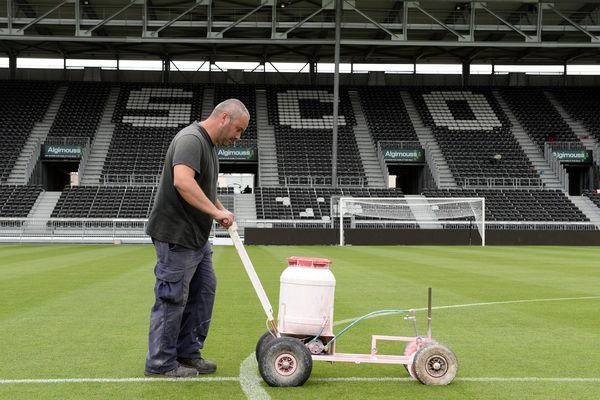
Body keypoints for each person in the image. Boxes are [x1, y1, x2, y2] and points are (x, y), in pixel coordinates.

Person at [144, 99, 249, 378]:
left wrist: (220, 207)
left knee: (204, 291)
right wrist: (216, 213)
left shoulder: (210, 147)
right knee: (172, 297)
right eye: (238, 130)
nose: (238, 138)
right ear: (224, 118)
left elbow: (201, 187)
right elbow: (183, 181)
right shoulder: (191, 139)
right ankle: (161, 363)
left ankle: (188, 353)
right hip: (176, 235)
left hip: (196, 238)